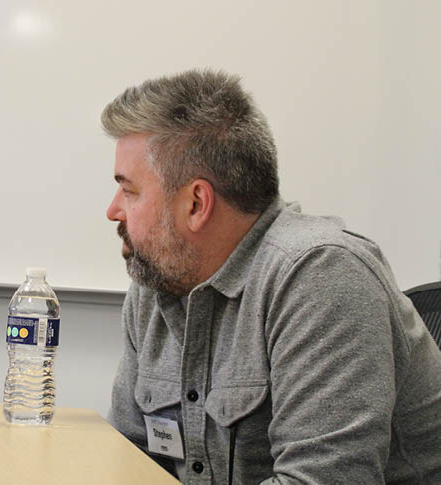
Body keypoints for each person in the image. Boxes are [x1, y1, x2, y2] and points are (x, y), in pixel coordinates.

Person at [101, 69, 441, 483]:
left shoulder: (321, 275)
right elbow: (127, 460)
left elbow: (320, 479)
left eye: (129, 190)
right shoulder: (158, 285)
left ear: (196, 204)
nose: (113, 210)